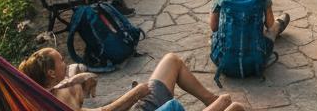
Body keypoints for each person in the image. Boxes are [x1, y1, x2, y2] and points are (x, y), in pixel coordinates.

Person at [19, 47, 246, 111]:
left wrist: (79, 78)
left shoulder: (43, 98)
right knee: (229, 103)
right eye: (61, 60)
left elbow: (73, 84)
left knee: (171, 60)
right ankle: (215, 102)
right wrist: (135, 93)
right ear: (50, 73)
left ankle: (211, 102)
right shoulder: (57, 100)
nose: (65, 62)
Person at [210, 0, 289, 76]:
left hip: (223, 63)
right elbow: (269, 25)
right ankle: (280, 24)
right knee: (272, 30)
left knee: (213, 36)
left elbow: (213, 27)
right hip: (255, 62)